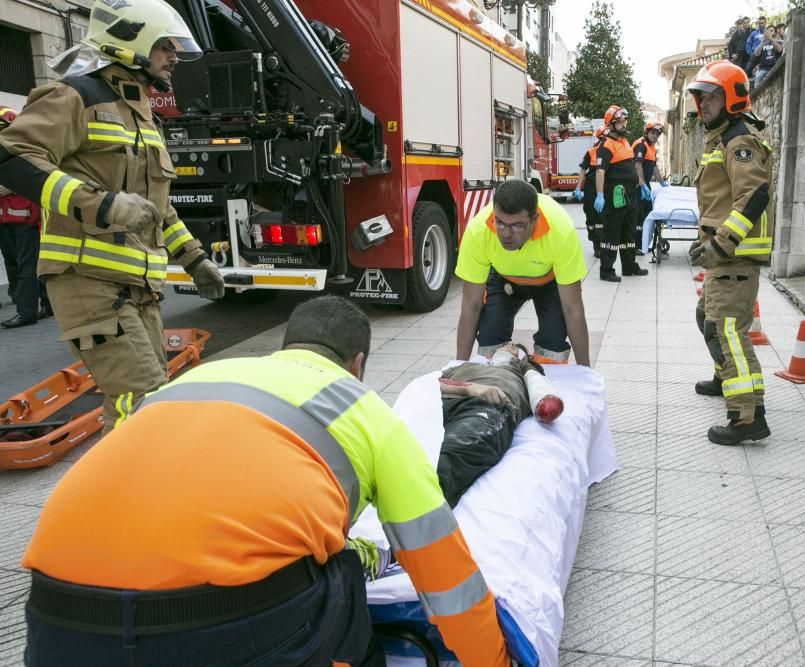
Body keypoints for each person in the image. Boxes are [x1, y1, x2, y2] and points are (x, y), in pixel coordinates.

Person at [20, 295, 511, 667]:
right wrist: (492, 660)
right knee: (339, 574)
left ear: (285, 347)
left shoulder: (186, 385)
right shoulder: (366, 413)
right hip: (216, 634)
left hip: (57, 623)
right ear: (357, 363)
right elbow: (442, 570)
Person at [0, 0, 225, 432]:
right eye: (164, 45)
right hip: (88, 281)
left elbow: (155, 207)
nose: (174, 56)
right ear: (130, 42)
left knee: (151, 395)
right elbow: (11, 157)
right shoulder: (76, 96)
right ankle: (127, 491)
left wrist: (195, 260)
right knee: (138, 401)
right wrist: (99, 204)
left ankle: (131, 487)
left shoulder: (142, 116)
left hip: (137, 288)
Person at [685, 60, 773, 445]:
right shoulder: (721, 137)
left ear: (731, 99)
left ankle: (746, 418)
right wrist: (707, 237)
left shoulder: (738, 141)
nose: (702, 104)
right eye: (699, 97)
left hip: (734, 257)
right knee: (708, 317)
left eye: (710, 97)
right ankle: (728, 381)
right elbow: (721, 200)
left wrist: (720, 242)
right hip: (725, 254)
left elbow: (754, 196)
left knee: (728, 331)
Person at [455, 179, 590, 365]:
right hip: (505, 279)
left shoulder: (560, 232)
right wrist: (459, 366)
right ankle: (499, 380)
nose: (506, 233)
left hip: (549, 282)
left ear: (534, 220)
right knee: (489, 338)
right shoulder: (478, 232)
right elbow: (471, 305)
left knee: (553, 343)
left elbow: (572, 308)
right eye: (500, 223)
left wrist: (586, 372)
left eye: (517, 225)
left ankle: (544, 383)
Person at [436, 341, 564, 507]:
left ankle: (416, 507)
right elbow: (428, 384)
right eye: (507, 344)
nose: (510, 345)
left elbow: (541, 391)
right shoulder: (464, 367)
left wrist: (525, 362)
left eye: (514, 347)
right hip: (438, 401)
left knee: (450, 456)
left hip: (485, 405)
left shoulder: (521, 369)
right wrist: (467, 388)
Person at [0, 107, 46, 329]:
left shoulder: (24, 149)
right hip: (6, 218)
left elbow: (32, 177)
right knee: (15, 263)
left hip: (26, 218)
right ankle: (44, 305)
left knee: (26, 266)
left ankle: (26, 312)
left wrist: (8, 186)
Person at [594, 105, 648, 282]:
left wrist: (642, 184)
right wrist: (600, 195)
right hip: (615, 196)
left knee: (628, 232)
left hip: (630, 194)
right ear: (611, 124)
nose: (624, 124)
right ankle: (606, 270)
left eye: (624, 121)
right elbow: (600, 172)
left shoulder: (624, 142)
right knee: (612, 232)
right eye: (620, 122)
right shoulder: (606, 145)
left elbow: (632, 167)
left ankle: (629, 266)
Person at [573, 126, 609, 257]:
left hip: (604, 188)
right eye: (604, 138)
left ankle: (602, 244)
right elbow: (583, 170)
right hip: (590, 188)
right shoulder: (591, 152)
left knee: (603, 217)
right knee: (591, 216)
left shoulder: (611, 152)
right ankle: (596, 244)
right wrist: (578, 187)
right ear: (600, 138)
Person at [632, 121, 666, 253]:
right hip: (637, 186)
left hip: (645, 185)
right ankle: (636, 245)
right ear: (647, 132)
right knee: (638, 216)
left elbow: (654, 167)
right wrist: (642, 185)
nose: (655, 136)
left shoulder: (651, 147)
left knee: (647, 214)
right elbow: (637, 166)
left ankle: (643, 243)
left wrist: (662, 182)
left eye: (657, 134)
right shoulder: (641, 145)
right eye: (653, 133)